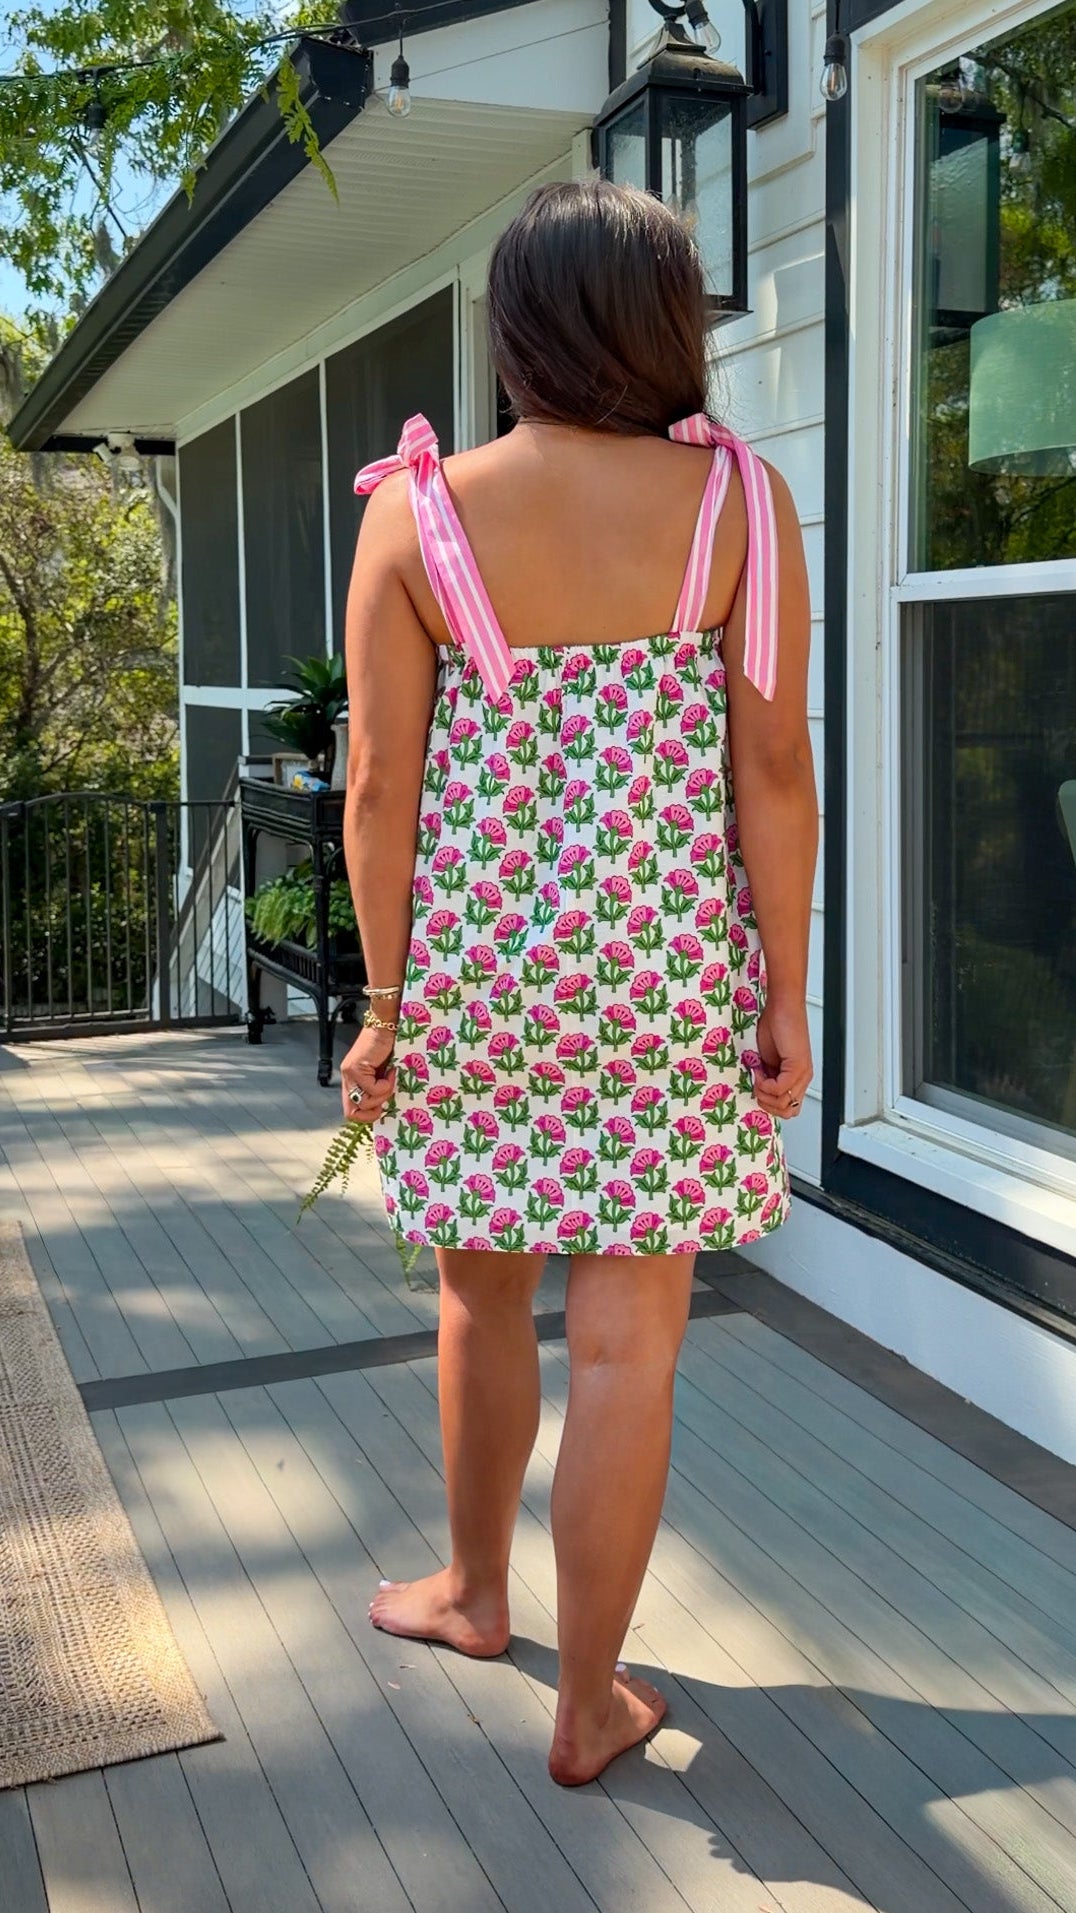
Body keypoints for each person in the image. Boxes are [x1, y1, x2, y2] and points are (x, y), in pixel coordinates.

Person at [340, 179, 817, 1787]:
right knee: (629, 1345)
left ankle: (477, 1594)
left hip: (483, 973)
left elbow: (379, 789)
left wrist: (389, 1004)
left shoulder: (417, 512)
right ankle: (590, 1697)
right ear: (666, 325)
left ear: (518, 328)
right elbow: (774, 768)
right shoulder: (744, 508)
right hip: (671, 971)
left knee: (482, 1298)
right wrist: (784, 990)